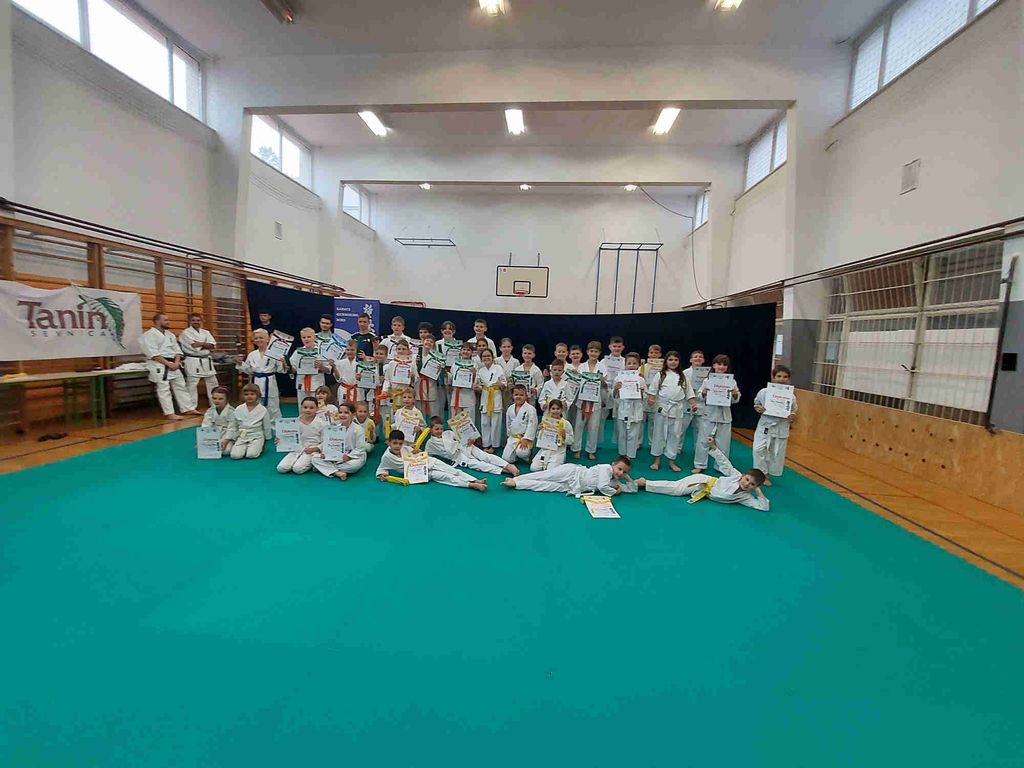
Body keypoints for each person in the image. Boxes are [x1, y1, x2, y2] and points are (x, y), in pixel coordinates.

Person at [637, 437, 769, 511]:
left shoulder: (744, 497)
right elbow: (725, 463)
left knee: (676, 489)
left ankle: (646, 483)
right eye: (747, 479)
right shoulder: (736, 475)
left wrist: (758, 491)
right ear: (743, 475)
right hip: (703, 481)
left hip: (704, 492)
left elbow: (763, 507)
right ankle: (645, 482)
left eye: (752, 484)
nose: (747, 484)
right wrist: (714, 447)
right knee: (676, 489)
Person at [375, 429, 488, 492]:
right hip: (419, 473)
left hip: (429, 462)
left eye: (400, 443)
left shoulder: (405, 448)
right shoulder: (387, 457)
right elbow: (382, 468)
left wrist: (417, 451)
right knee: (446, 477)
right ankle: (471, 485)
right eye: (394, 443)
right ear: (388, 442)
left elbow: (417, 453)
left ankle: (475, 480)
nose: (397, 446)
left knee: (452, 470)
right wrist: (383, 475)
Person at [142, 312, 199, 421]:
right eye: (165, 320)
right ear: (157, 321)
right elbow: (153, 354)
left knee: (181, 385)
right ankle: (169, 413)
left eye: (168, 320)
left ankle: (187, 408)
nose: (168, 322)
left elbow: (177, 350)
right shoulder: (149, 335)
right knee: (164, 389)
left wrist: (176, 363)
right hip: (159, 364)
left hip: (173, 363)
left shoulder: (170, 335)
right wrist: (168, 364)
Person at [648, 351, 696, 473]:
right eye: (670, 360)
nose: (673, 362)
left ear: (679, 362)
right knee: (658, 434)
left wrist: (693, 403)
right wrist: (651, 399)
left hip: (677, 409)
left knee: (674, 435)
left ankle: (671, 461)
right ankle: (656, 461)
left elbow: (689, 392)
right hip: (663, 407)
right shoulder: (660, 375)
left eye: (675, 360)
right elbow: (653, 390)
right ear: (666, 361)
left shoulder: (683, 376)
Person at [423, 416, 519, 476]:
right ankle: (502, 470)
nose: (439, 431)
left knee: (485, 456)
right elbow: (426, 455)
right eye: (436, 429)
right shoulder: (430, 443)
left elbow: (460, 438)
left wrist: (469, 440)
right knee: (478, 465)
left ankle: (508, 465)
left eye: (441, 428)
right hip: (458, 457)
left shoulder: (448, 433)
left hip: (466, 447)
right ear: (430, 429)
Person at [501, 455, 637, 496]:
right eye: (619, 469)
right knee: (544, 475)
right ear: (613, 464)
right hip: (572, 472)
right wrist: (615, 492)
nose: (621, 473)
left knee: (546, 486)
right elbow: (602, 487)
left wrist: (629, 479)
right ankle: (516, 478)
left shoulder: (614, 480)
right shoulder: (606, 469)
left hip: (574, 487)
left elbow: (632, 488)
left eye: (624, 472)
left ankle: (516, 484)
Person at [752, 364, 798, 486]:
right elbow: (756, 404)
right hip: (765, 424)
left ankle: (767, 475)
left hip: (781, 426)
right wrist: (758, 408)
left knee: (775, 452)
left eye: (785, 377)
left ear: (789, 379)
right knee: (758, 449)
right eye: (779, 376)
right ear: (773, 377)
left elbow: (794, 410)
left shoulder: (791, 396)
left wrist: (792, 416)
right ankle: (761, 474)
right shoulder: (764, 392)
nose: (782, 379)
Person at [694, 353, 740, 474]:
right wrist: (704, 392)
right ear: (714, 365)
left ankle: (721, 466)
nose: (721, 367)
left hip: (724, 416)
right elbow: (699, 396)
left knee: (723, 443)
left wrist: (735, 394)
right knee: (703, 440)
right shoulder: (707, 380)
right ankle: (700, 464)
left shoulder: (732, 381)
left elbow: (736, 399)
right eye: (719, 364)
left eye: (724, 365)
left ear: (727, 367)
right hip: (709, 414)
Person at [237, 328, 287, 423]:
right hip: (256, 382)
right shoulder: (252, 354)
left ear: (268, 339)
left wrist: (283, 363)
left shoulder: (275, 353)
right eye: (256, 338)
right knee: (256, 405)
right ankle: (257, 424)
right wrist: (240, 363)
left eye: (261, 338)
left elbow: (281, 370)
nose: (259, 340)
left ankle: (275, 425)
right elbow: (249, 370)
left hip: (269, 382)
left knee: (272, 406)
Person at [312, 402, 368, 480]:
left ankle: (325, 468)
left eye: (346, 413)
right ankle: (337, 472)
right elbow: (328, 444)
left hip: (353, 456)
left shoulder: (359, 429)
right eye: (340, 412)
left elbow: (360, 448)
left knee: (353, 466)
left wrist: (349, 457)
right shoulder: (335, 428)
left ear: (353, 414)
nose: (342, 415)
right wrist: (325, 453)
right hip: (337, 455)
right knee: (315, 458)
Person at [572, 340, 605, 460]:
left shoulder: (602, 367)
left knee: (593, 427)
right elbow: (576, 383)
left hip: (595, 401)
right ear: (587, 352)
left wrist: (602, 380)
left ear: (599, 353)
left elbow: (606, 385)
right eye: (591, 351)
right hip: (582, 401)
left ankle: (591, 450)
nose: (593, 353)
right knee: (578, 426)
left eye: (596, 351)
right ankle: (576, 449)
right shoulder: (581, 366)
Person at [179, 312, 220, 408]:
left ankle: (215, 404)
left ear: (201, 321)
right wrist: (206, 344)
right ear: (189, 321)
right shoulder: (185, 333)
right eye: (193, 320)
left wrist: (201, 344)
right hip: (193, 360)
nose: (196, 322)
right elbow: (194, 346)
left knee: (213, 382)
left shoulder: (206, 332)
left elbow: (213, 345)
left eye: (198, 320)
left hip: (206, 360)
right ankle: (190, 407)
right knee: (192, 384)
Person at [612, 351, 647, 460]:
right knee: (622, 434)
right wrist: (616, 389)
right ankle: (622, 454)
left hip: (636, 409)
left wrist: (641, 392)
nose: (631, 365)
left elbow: (645, 396)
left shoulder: (641, 380)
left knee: (633, 434)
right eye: (629, 363)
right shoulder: (619, 378)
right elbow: (614, 395)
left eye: (634, 363)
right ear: (625, 364)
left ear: (638, 365)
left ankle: (630, 455)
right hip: (623, 408)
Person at [276, 396, 323, 474]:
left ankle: (313, 463)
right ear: (301, 408)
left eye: (311, 408)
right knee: (281, 468)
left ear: (317, 409)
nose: (308, 410)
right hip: (297, 448)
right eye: (305, 407)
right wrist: (280, 441)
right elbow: (288, 436)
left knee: (297, 469)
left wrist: (316, 449)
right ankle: (297, 460)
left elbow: (326, 441)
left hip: (312, 449)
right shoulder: (295, 422)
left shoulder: (321, 423)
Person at [225, 383, 272, 459]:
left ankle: (259, 446)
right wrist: (230, 437)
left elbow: (267, 426)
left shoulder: (263, 410)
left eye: (252, 394)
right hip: (242, 436)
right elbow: (233, 425)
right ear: (243, 396)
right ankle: (243, 447)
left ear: (257, 395)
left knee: (251, 454)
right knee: (235, 455)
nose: (249, 396)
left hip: (256, 436)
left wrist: (266, 439)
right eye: (246, 394)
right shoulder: (239, 409)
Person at [530, 399, 575, 472]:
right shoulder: (545, 422)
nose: (555, 411)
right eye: (553, 409)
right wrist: (539, 430)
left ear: (561, 410)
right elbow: (538, 437)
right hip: (545, 450)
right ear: (549, 410)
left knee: (551, 470)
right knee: (533, 468)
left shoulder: (566, 423)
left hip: (558, 451)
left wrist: (564, 436)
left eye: (558, 409)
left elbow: (571, 440)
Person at [475, 347, 506, 451]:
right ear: (481, 358)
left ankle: (494, 445)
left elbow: (504, 383)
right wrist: (477, 387)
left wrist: (501, 384)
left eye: (488, 356)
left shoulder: (498, 368)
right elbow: (478, 385)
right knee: (484, 423)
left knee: (495, 423)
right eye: (484, 356)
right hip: (485, 397)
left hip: (496, 397)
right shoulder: (481, 370)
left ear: (492, 358)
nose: (486, 358)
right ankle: (486, 444)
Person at [681, 349, 708, 464]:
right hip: (687, 403)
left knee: (700, 430)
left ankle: (699, 450)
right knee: (681, 428)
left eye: (700, 357)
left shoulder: (708, 373)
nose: (698, 358)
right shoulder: (685, 372)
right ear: (690, 360)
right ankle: (677, 448)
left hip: (701, 403)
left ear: (703, 360)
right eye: (695, 356)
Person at [290, 327, 330, 403]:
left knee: (319, 407)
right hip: (301, 385)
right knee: (302, 407)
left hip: (317, 386)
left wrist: (321, 366)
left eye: (309, 337)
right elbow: (293, 370)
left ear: (314, 337)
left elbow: (328, 370)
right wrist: (287, 365)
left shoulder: (321, 351)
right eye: (304, 337)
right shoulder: (297, 352)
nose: (306, 339)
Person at [600, 335, 627, 445]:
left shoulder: (625, 361)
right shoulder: (603, 361)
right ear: (610, 347)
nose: (616, 348)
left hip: (619, 391)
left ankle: (619, 442)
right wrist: (603, 381)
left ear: (623, 347)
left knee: (618, 418)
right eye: (614, 346)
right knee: (601, 417)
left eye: (619, 346)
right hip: (605, 389)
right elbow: (600, 375)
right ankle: (597, 441)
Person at [502, 383, 538, 464]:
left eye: (521, 395)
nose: (518, 397)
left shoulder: (530, 409)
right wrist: (509, 435)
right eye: (516, 395)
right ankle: (515, 454)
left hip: (524, 437)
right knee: (506, 459)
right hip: (513, 437)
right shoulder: (510, 408)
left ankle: (528, 456)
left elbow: (532, 425)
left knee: (522, 453)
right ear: (513, 396)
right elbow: (508, 423)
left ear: (526, 396)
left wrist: (526, 438)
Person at [416, 334, 446, 419]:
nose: (428, 342)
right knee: (420, 415)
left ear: (434, 345)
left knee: (434, 413)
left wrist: (440, 369)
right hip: (419, 386)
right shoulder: (416, 356)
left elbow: (441, 376)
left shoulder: (437, 358)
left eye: (431, 342)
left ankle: (435, 427)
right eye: (427, 340)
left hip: (431, 385)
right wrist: (416, 364)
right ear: (423, 342)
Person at [640, 344, 663, 445]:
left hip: (656, 397)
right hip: (644, 395)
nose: (653, 354)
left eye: (656, 353)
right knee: (640, 421)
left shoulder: (663, 368)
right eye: (651, 352)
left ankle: (652, 443)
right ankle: (638, 442)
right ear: (648, 354)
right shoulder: (642, 367)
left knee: (653, 423)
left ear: (660, 354)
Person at [200, 385, 234, 455]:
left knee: (226, 451)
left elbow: (232, 427)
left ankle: (234, 443)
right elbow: (206, 425)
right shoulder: (210, 410)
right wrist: (203, 438)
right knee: (207, 448)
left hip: (227, 433)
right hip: (214, 432)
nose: (217, 401)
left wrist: (226, 440)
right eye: (214, 398)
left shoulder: (231, 411)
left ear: (227, 400)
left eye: (220, 399)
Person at [449, 341, 478, 417]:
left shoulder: (474, 365)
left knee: (469, 421)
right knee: (456, 422)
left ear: (472, 353)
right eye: (464, 349)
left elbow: (476, 383)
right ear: (460, 351)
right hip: (456, 396)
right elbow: (451, 379)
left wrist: (474, 374)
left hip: (469, 397)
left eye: (468, 350)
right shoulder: (455, 364)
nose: (466, 352)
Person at [496, 337, 520, 420]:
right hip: (499, 389)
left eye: (508, 347)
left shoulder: (516, 362)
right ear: (500, 348)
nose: (506, 349)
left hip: (511, 390)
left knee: (511, 413)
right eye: (504, 347)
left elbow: (518, 376)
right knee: (499, 413)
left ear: (512, 348)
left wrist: (513, 384)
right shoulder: (496, 361)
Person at [333, 339, 360, 406]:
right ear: (345, 350)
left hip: (357, 389)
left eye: (352, 350)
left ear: (356, 350)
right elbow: (338, 378)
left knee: (357, 408)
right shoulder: (339, 363)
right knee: (343, 408)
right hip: (344, 389)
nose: (350, 352)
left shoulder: (360, 363)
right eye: (348, 350)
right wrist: (334, 367)